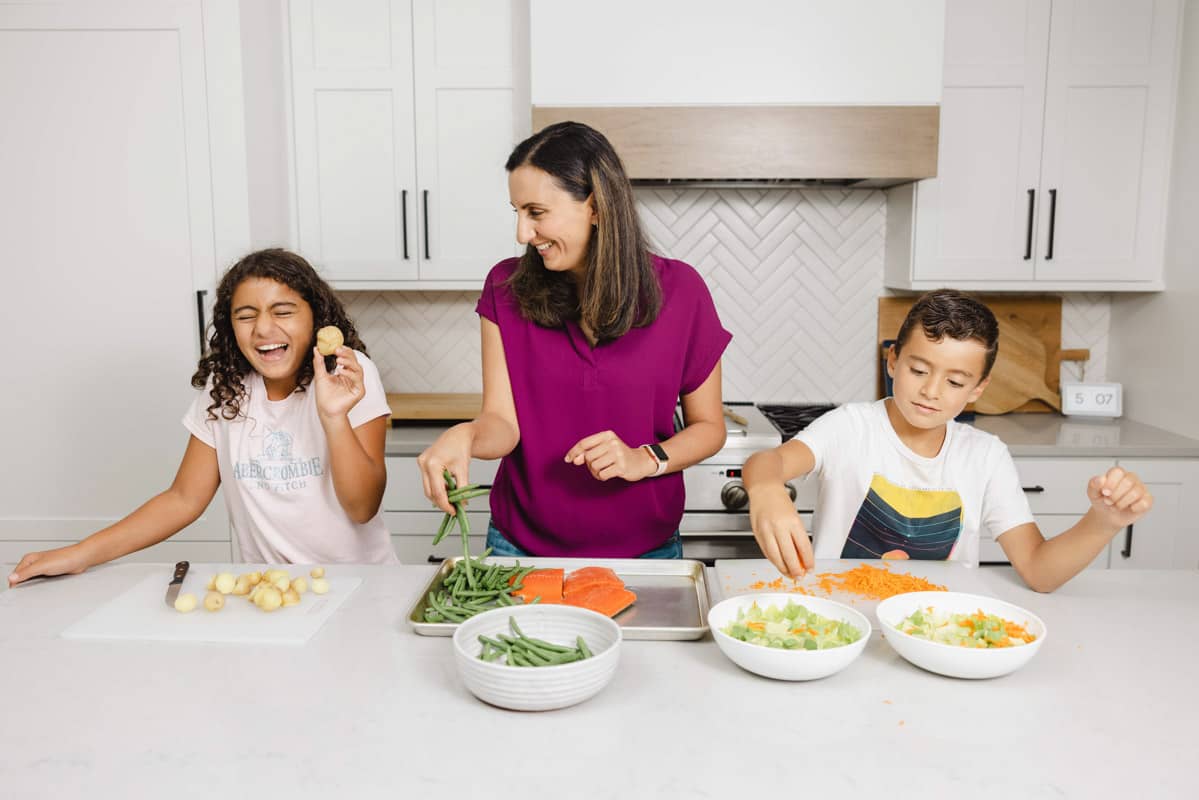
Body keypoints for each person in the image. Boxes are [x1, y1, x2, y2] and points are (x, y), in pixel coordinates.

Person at [417, 121, 731, 558]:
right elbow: (502, 425)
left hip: (646, 550)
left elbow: (709, 427)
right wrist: (466, 435)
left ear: (597, 206)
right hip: (519, 546)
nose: (522, 234)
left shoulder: (682, 291)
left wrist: (645, 458)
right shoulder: (505, 287)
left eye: (536, 212)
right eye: (517, 212)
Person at [8, 248, 396, 586]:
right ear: (231, 327)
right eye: (246, 316)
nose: (263, 328)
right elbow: (183, 499)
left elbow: (362, 507)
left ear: (316, 319)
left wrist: (333, 417)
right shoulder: (226, 386)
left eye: (283, 311)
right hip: (272, 591)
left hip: (359, 585)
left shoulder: (346, 374)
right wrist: (82, 554)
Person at [743, 289, 1153, 592]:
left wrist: (1103, 522)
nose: (932, 391)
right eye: (919, 370)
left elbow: (1039, 571)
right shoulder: (851, 427)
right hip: (841, 618)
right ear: (893, 361)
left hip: (939, 631)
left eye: (955, 381)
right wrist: (766, 489)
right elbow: (767, 462)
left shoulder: (986, 456)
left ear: (978, 388)